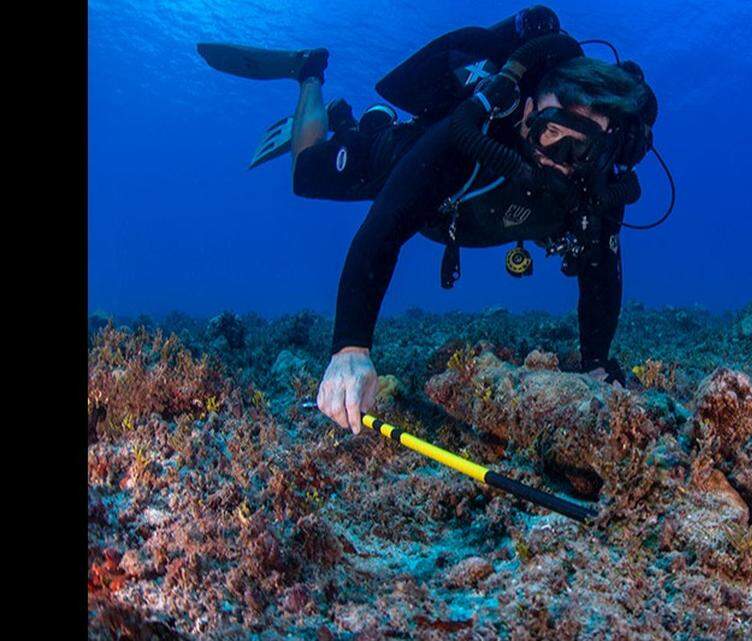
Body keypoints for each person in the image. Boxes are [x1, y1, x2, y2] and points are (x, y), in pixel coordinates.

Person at [197, 6, 658, 434]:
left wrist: (597, 362)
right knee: (305, 175)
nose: (559, 159)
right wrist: (350, 349)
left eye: (580, 148)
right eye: (549, 134)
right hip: (400, 162)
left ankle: (357, 121)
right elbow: (383, 229)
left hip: (460, 216)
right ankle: (311, 76)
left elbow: (601, 269)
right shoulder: (469, 136)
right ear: (527, 108)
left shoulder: (593, 181)